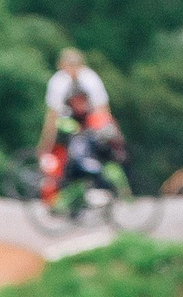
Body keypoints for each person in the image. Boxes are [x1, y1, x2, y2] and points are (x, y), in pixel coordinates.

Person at [38, 46, 125, 192]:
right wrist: (46, 143)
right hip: (68, 121)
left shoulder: (90, 79)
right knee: (64, 150)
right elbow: (53, 116)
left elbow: (102, 109)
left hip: (90, 120)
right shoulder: (58, 82)